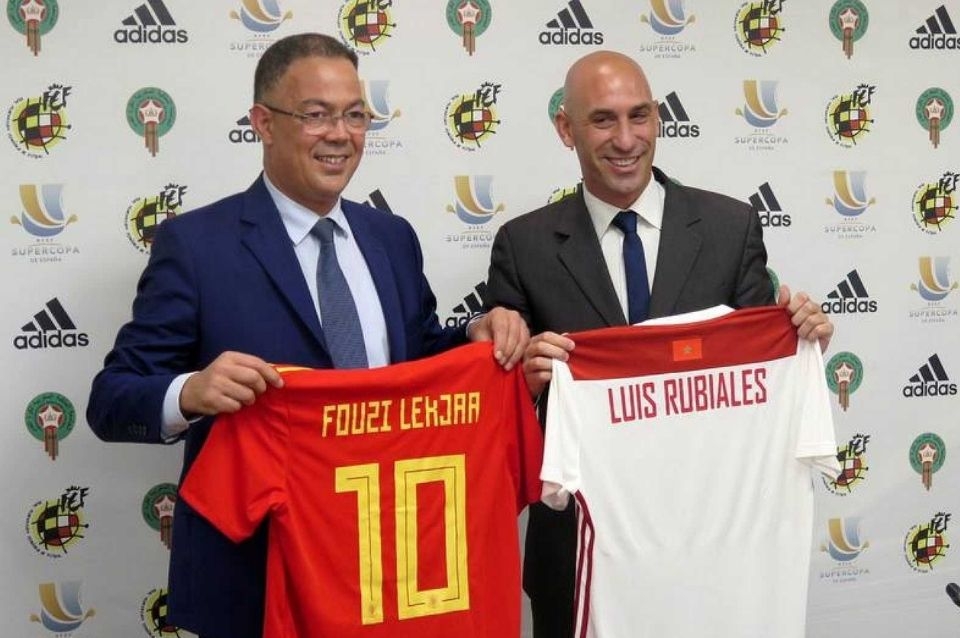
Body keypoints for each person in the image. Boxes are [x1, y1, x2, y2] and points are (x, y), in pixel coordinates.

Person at [87, 33, 527, 638]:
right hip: (257, 582)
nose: (340, 134)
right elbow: (110, 399)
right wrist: (189, 392)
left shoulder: (391, 237)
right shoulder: (196, 246)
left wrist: (477, 336)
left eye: (355, 115)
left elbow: (419, 356)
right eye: (317, 115)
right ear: (263, 123)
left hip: (388, 576)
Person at [484, 50, 834, 638]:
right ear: (566, 129)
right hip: (581, 556)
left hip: (715, 541)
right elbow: (500, 402)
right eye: (603, 120)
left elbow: (762, 381)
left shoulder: (730, 227)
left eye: (639, 115)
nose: (626, 139)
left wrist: (800, 344)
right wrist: (524, 380)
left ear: (658, 118)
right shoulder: (524, 245)